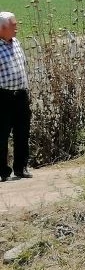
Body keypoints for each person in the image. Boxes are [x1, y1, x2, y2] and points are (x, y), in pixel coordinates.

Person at [0, 11, 32, 180]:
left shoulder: (17, 43)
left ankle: (21, 168)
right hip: (2, 96)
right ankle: (2, 171)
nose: (17, 28)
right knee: (1, 134)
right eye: (13, 25)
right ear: (3, 28)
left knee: (22, 132)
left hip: (21, 95)